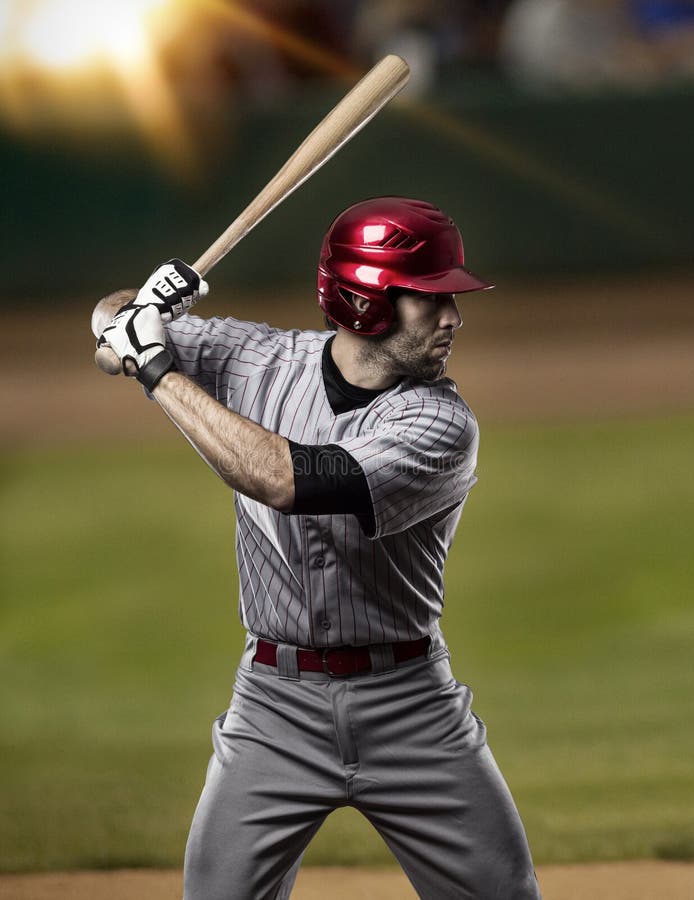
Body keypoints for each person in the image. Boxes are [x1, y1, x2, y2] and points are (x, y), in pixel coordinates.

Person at [94, 197, 541, 900]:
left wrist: (157, 369)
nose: (453, 317)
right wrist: (137, 306)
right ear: (365, 301)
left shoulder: (440, 423)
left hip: (410, 706)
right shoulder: (260, 358)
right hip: (273, 707)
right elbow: (107, 321)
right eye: (431, 299)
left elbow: (280, 478)